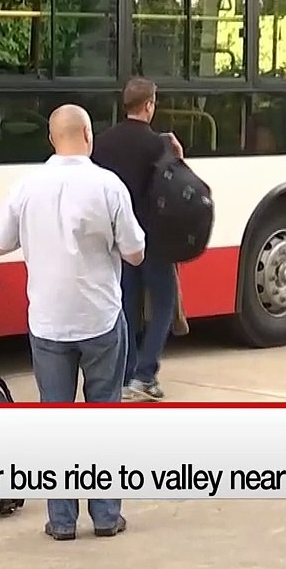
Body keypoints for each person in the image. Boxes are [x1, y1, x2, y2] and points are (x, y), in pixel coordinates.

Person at [0, 104, 145, 541]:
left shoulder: (26, 187)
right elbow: (136, 252)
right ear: (89, 136)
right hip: (100, 320)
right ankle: (106, 516)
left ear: (52, 139)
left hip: (48, 322)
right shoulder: (109, 186)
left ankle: (61, 521)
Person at [90, 77, 183, 402]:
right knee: (163, 305)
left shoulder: (103, 142)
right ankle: (145, 375)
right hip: (153, 240)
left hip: (117, 240)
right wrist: (178, 156)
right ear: (148, 105)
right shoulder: (158, 144)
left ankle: (126, 375)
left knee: (127, 306)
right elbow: (175, 188)